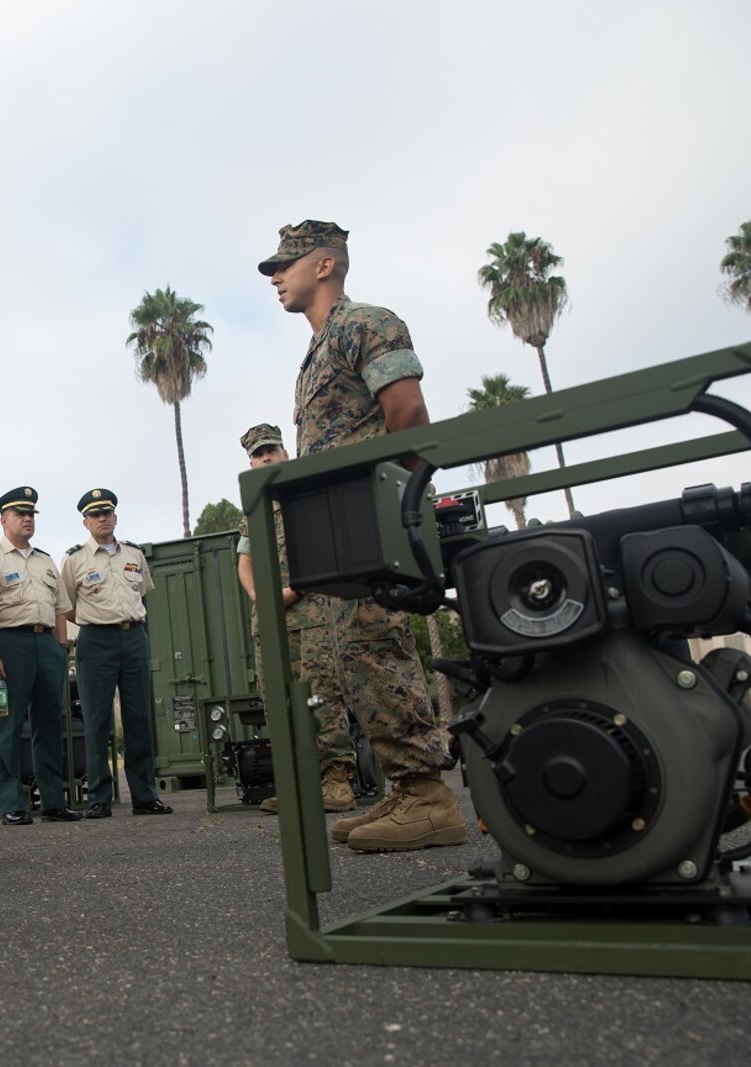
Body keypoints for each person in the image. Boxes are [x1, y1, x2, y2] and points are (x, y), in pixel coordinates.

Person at [258, 219, 467, 852]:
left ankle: (429, 796)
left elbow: (408, 416)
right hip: (342, 529)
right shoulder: (317, 352)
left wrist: (390, 510)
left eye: (285, 265)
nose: (276, 278)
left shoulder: (366, 323)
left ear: (324, 266)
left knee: (377, 645)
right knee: (357, 654)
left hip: (373, 521)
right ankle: (407, 787)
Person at [233, 424, 355, 816]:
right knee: (278, 702)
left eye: (271, 450)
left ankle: (336, 780)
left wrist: (292, 590)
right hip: (269, 622)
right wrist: (259, 596)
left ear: (286, 453)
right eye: (257, 454)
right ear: (249, 462)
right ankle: (296, 784)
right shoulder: (252, 508)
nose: (265, 458)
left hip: (314, 617)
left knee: (321, 697)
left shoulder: (308, 494)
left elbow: (327, 547)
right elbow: (245, 561)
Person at [0, 487, 83, 825]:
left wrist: (61, 649)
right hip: (9, 645)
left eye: (31, 514)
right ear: (4, 521)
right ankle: (12, 803)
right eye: (21, 515)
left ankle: (52, 800)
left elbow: (62, 609)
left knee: (50, 724)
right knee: (6, 724)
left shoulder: (45, 560)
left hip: (45, 645)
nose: (27, 520)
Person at [59, 489, 172, 819]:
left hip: (134, 636)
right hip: (95, 640)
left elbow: (143, 594)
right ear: (85, 522)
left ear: (116, 517)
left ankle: (144, 795)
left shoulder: (134, 555)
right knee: (96, 720)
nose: (102, 518)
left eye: (107, 512)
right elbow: (65, 607)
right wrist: (94, 622)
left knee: (139, 718)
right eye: (95, 515)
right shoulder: (75, 559)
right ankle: (99, 797)